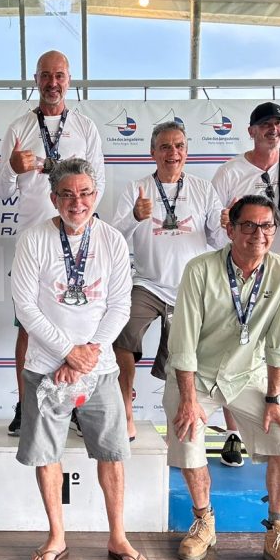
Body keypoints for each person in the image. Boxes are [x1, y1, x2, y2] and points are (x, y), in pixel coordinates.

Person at [164, 194, 280, 560]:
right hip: (196, 374)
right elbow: (183, 340)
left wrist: (275, 399)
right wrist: (188, 399)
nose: (257, 234)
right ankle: (203, 522)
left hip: (248, 373)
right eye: (248, 225)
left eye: (266, 226)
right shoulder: (200, 269)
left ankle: (278, 535)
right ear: (230, 229)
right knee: (188, 438)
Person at [11, 158, 146, 560]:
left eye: (85, 193)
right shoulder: (33, 239)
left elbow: (120, 305)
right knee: (47, 454)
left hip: (99, 367)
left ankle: (118, 536)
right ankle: (56, 536)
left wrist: (87, 354)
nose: (77, 202)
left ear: (96, 195)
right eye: (67, 194)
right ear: (54, 198)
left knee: (112, 453)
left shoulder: (112, 240)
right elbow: (26, 307)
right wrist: (68, 352)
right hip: (45, 365)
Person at [0, 50, 105, 436]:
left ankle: (73, 402)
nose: (52, 83)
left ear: (68, 80)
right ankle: (26, 406)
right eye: (45, 75)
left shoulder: (86, 128)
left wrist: (79, 222)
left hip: (77, 244)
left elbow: (99, 186)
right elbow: (0, 189)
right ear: (36, 80)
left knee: (78, 325)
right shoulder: (19, 127)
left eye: (59, 75)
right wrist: (12, 169)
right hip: (33, 244)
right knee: (28, 326)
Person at [210, 103, 280, 467]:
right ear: (252, 131)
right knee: (233, 350)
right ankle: (234, 435)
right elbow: (215, 228)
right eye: (266, 124)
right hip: (242, 272)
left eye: (278, 124)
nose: (274, 129)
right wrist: (224, 222)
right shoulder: (230, 172)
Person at [111, 121, 223, 439]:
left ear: (186, 151)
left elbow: (217, 240)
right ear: (152, 152)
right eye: (165, 146)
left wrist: (226, 225)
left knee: (181, 356)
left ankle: (182, 418)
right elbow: (114, 238)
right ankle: (125, 411)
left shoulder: (204, 189)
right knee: (123, 333)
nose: (172, 152)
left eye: (179, 146)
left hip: (190, 288)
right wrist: (135, 217)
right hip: (147, 283)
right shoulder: (136, 189)